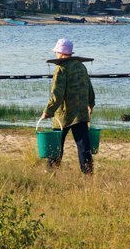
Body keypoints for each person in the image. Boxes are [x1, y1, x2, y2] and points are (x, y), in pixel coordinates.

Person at [40, 38, 95, 174]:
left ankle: (52, 171)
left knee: (56, 144)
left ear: (60, 53)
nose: (56, 55)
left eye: (56, 52)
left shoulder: (61, 69)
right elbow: (88, 86)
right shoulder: (81, 66)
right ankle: (88, 173)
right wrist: (91, 103)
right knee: (83, 144)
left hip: (63, 114)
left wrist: (48, 111)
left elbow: (57, 94)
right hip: (81, 112)